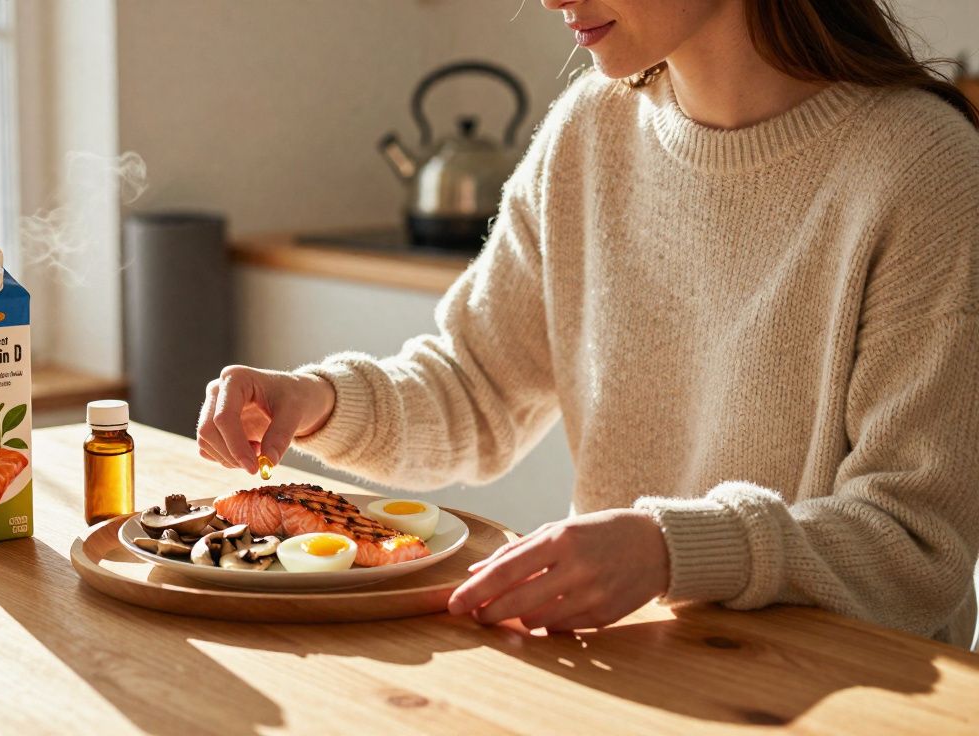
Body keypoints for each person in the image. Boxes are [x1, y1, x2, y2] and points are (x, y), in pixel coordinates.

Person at [196, 0, 979, 648]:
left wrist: (671, 552)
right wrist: (319, 400)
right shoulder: (588, 132)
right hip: (629, 673)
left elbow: (914, 547)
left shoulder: (925, 169)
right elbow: (476, 388)